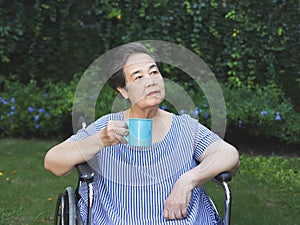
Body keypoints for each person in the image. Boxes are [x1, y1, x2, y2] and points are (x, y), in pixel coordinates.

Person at [44, 42, 240, 225]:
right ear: (123, 90)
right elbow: (53, 162)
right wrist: (100, 140)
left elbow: (228, 154)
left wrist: (188, 181)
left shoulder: (185, 127)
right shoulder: (107, 128)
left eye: (154, 72)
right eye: (138, 77)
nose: (151, 82)